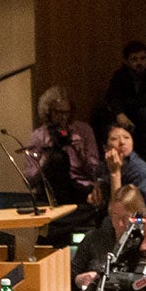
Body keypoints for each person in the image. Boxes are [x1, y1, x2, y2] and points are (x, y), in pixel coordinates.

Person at [24, 86, 100, 219]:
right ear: (48, 112)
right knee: (58, 158)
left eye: (66, 112)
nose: (63, 117)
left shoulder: (83, 131)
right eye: (58, 112)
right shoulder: (39, 136)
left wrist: (80, 150)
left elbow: (96, 171)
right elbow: (30, 178)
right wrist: (46, 155)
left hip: (79, 187)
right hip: (52, 188)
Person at [102, 40, 146, 162]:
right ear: (126, 61)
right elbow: (112, 97)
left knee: (144, 114)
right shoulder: (120, 75)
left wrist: (126, 107)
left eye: (143, 58)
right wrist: (119, 113)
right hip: (126, 114)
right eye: (134, 59)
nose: (139, 63)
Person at [73, 184, 146, 289]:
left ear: (137, 218)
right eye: (116, 217)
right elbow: (70, 276)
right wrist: (78, 279)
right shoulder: (93, 238)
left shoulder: (143, 244)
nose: (120, 224)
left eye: (125, 218)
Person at [95, 122, 146, 205]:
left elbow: (119, 209)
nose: (122, 142)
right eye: (114, 138)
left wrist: (115, 173)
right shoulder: (104, 165)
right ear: (105, 147)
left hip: (139, 214)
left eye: (126, 137)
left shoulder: (138, 168)